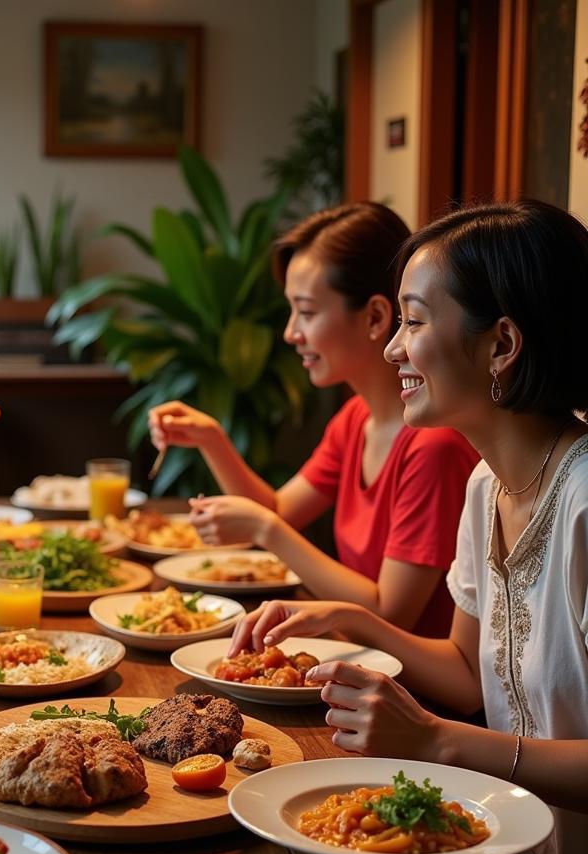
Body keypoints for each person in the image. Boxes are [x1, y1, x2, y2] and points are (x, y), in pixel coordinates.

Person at [232, 199, 588, 854]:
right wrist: (353, 622)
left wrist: (439, 742)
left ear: (502, 345)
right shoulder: (488, 485)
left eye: (415, 321)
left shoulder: (583, 502)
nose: (394, 347)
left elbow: (451, 723)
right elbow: (463, 669)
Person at [148, 202, 479, 637]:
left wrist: (267, 530)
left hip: (404, 692)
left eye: (306, 312)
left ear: (376, 317)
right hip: (352, 658)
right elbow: (279, 511)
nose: (290, 333)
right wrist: (211, 439)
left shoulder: (434, 447)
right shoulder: (356, 418)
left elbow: (391, 613)